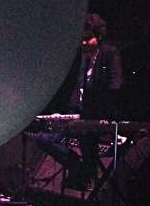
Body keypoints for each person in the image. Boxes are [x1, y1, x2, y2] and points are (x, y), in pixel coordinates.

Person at [37, 13, 124, 186]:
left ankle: (86, 178)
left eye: (88, 39)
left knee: (88, 144)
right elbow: (66, 84)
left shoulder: (109, 53)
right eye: (81, 39)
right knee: (43, 139)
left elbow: (116, 84)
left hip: (94, 114)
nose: (83, 43)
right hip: (73, 110)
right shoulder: (76, 55)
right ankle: (77, 165)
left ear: (99, 37)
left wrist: (104, 111)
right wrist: (58, 110)